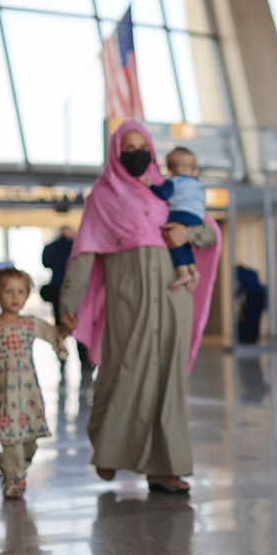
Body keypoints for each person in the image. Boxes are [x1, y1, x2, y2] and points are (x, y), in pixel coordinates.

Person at [59, 120, 217, 495]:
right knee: (122, 371)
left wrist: (186, 233)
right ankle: (109, 449)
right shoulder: (104, 196)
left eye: (140, 146)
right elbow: (84, 252)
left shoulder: (167, 192)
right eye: (126, 148)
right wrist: (68, 301)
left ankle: (166, 469)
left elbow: (208, 231)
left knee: (168, 381)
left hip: (173, 298)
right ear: (115, 152)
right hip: (128, 298)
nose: (135, 154)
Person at [0, 267, 66, 499]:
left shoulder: (30, 324)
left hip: (27, 396)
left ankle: (11, 466)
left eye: (21, 292)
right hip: (2, 396)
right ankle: (14, 480)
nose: (15, 297)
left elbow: (54, 335)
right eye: (8, 291)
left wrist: (67, 330)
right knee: (11, 440)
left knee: (30, 444)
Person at [147, 146, 207, 292]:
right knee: (186, 244)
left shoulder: (173, 182)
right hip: (197, 218)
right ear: (194, 170)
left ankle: (183, 273)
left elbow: (164, 194)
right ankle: (193, 270)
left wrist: (150, 186)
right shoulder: (198, 184)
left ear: (170, 170)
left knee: (174, 240)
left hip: (180, 214)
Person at [40, 226, 91, 378]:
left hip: (58, 292)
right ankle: (85, 361)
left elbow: (45, 263)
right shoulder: (77, 246)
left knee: (61, 327)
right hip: (78, 292)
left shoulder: (51, 247)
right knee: (79, 326)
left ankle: (61, 358)